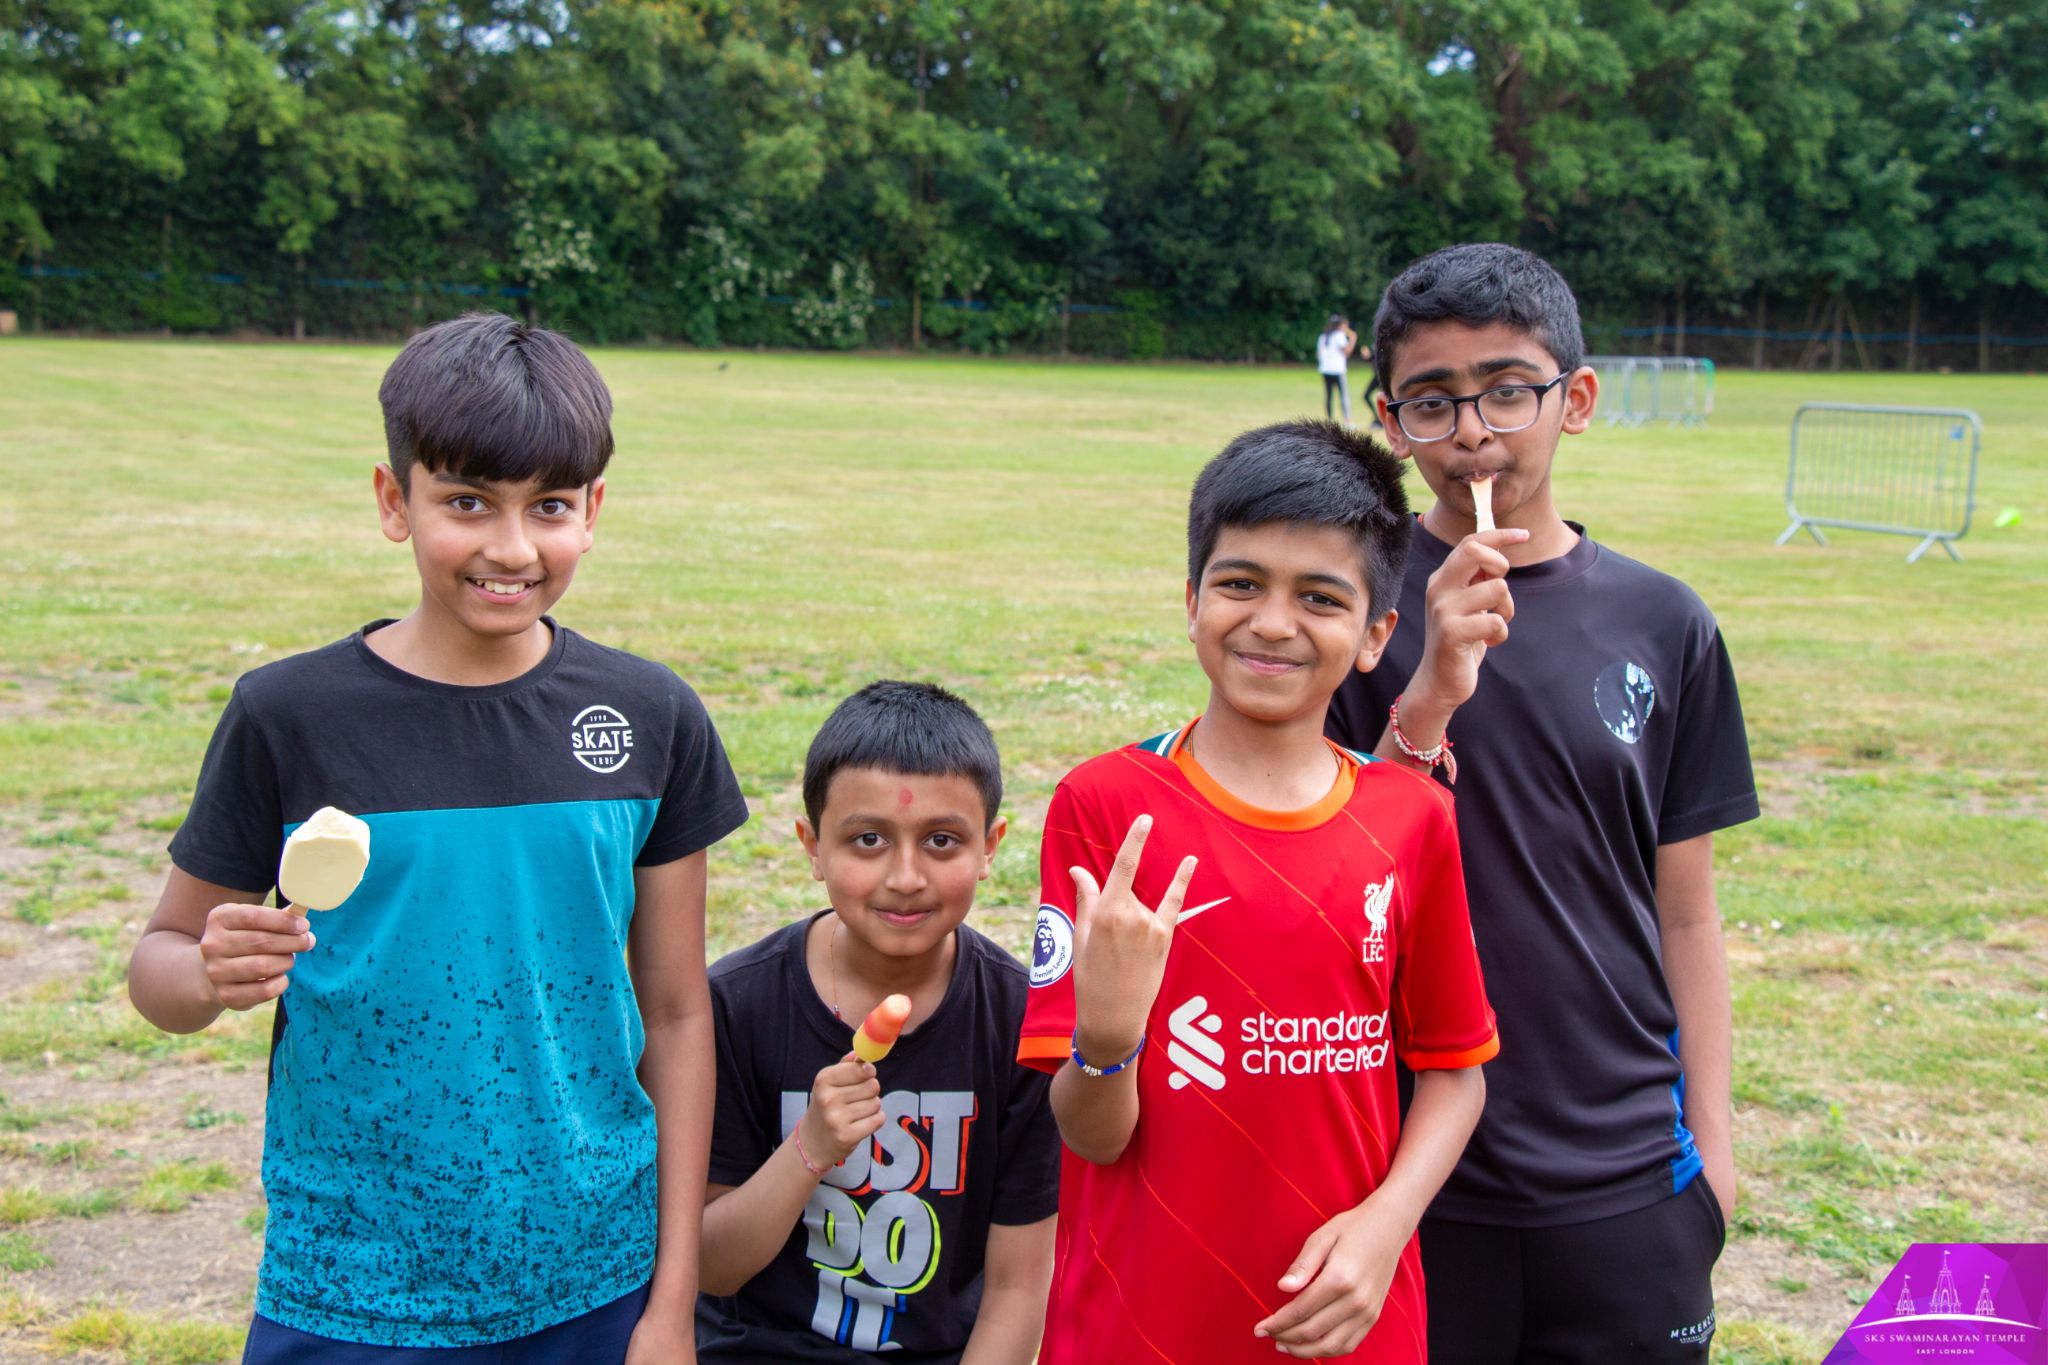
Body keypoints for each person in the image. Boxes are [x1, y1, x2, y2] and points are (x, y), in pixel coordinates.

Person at [126, 312, 750, 1364]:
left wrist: (671, 1303)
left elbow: (678, 1011)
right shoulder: (290, 715)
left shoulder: (648, 718)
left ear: (592, 510)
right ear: (393, 500)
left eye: (547, 506)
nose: (510, 548)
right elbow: (159, 965)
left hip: (591, 1274)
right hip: (348, 1279)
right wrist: (209, 973)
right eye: (466, 502)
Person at [1326, 242, 1758, 1363]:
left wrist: (1707, 1156)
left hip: (1625, 1179)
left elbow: (1683, 913)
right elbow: (1319, 879)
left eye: (1505, 389)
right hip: (1402, 1179)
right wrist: (1419, 695)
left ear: (1574, 400)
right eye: (1431, 401)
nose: (1471, 430)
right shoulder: (1339, 617)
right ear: (1388, 420)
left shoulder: (1663, 623)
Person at [1019, 421, 1498, 1363]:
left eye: (1319, 597)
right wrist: (1109, 1037)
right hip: (1141, 1321)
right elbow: (1091, 1136)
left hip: (1345, 1318)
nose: (1273, 622)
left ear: (1374, 636)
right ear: (1192, 600)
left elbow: (1455, 1071)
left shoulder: (1411, 819)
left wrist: (1385, 1226)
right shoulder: (1107, 806)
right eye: (1241, 583)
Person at [696, 681, 1059, 1364]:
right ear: (810, 844)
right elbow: (712, 1266)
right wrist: (810, 1147)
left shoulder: (1021, 1020)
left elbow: (1018, 1288)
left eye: (942, 840)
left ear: (990, 847)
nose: (905, 875)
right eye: (867, 839)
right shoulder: (735, 1007)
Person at [1317, 314, 1359, 423]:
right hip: (1337, 370)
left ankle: (1329, 421)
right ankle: (1347, 421)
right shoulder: (1339, 335)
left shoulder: (1323, 336)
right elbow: (1347, 352)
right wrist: (1353, 339)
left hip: (1325, 370)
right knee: (1343, 395)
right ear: (1340, 325)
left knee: (1329, 396)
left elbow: (1319, 354)